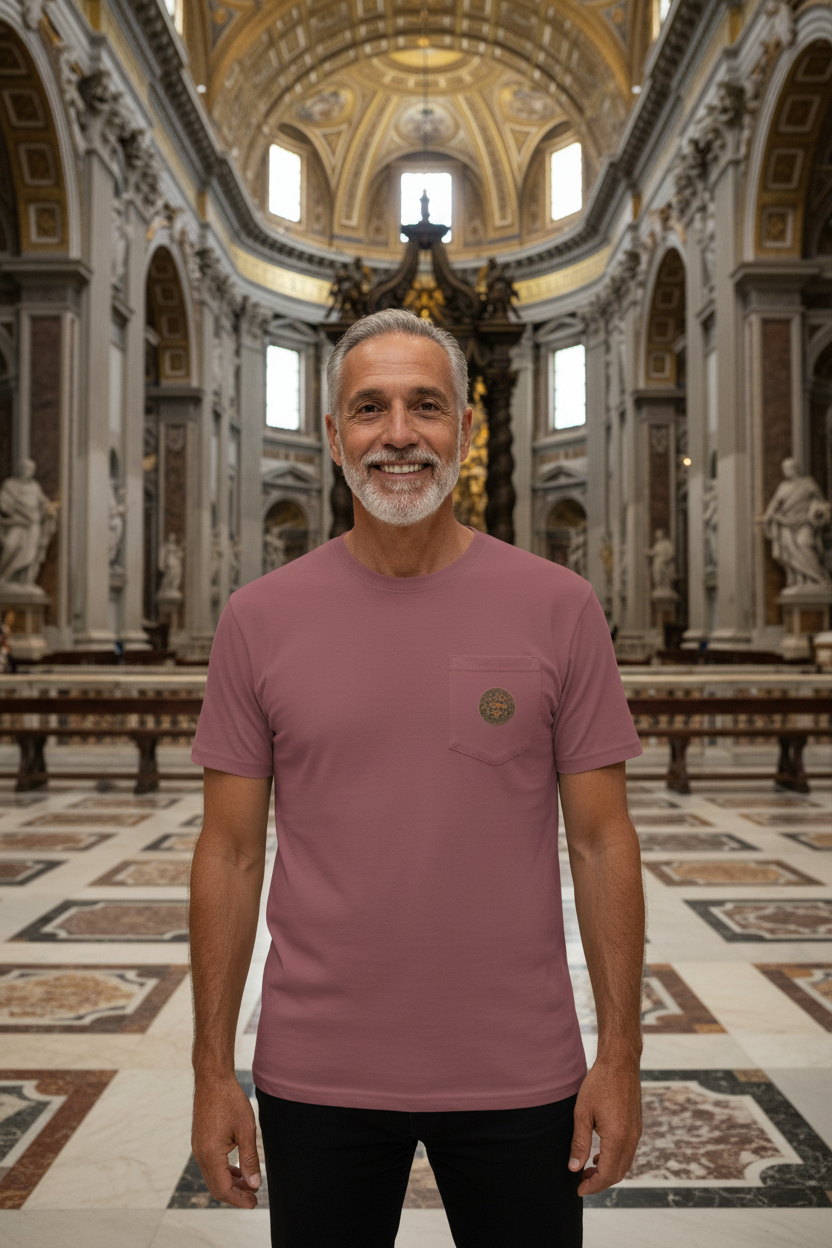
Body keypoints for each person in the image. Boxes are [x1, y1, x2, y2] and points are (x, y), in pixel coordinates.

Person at [189, 308, 645, 1248]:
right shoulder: (257, 619)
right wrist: (210, 1071)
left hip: (520, 1066)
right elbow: (228, 853)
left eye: (426, 406)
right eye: (370, 408)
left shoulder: (560, 606)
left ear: (466, 430)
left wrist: (623, 1057)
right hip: (318, 1069)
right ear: (333, 436)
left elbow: (603, 840)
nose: (398, 434)